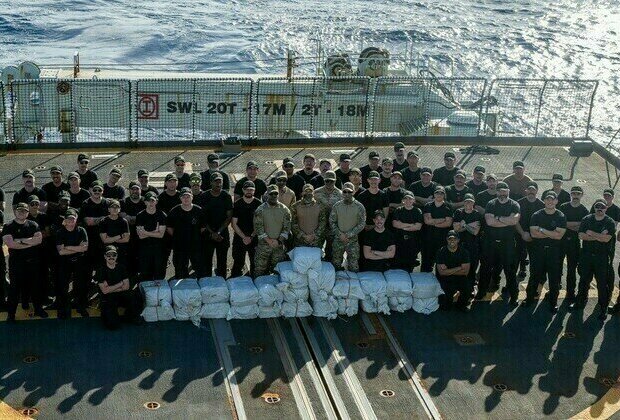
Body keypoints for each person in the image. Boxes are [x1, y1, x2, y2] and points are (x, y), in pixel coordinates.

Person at [570, 199, 615, 321]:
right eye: (597, 206)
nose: (600, 209)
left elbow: (607, 239)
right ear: (594, 207)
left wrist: (591, 233)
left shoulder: (609, 222)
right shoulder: (587, 219)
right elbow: (581, 236)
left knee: (602, 284)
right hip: (586, 255)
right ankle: (580, 302)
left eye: (603, 207)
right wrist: (599, 235)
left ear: (606, 208)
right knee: (584, 280)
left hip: (602, 257)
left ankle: (603, 308)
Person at [2, 202, 46, 322]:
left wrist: (20, 241)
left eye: (24, 211)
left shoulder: (33, 224)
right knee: (14, 290)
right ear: (15, 211)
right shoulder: (8, 226)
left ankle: (38, 309)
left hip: (32, 263)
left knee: (35, 287)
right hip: (16, 264)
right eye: (19, 210)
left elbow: (39, 240)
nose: (22, 213)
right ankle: (11, 314)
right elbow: (10, 244)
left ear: (27, 213)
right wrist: (29, 242)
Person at [478, 182, 521, 305]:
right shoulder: (491, 204)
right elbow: (489, 222)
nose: (502, 193)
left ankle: (514, 296)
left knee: (510, 270)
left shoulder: (514, 204)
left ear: (508, 191)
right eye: (500, 191)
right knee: (485, 268)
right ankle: (481, 291)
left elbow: (514, 220)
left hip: (507, 243)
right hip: (490, 242)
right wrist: (506, 220)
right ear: (497, 192)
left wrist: (498, 218)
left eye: (504, 191)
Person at [523, 191, 566, 313]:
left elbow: (559, 236)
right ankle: (529, 298)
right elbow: (534, 234)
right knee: (534, 276)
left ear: (556, 201)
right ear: (544, 201)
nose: (550, 201)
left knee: (554, 279)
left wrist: (542, 230)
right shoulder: (537, 215)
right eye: (547, 199)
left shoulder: (561, 216)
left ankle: (553, 303)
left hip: (554, 252)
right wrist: (551, 233)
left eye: (552, 199)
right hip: (538, 251)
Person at [96, 245, 142, 330]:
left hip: (120, 294)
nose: (111, 257)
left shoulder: (121, 267)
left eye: (114, 255)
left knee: (134, 297)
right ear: (105, 256)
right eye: (108, 255)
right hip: (108, 297)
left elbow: (127, 286)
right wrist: (120, 283)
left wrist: (111, 288)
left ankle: (130, 317)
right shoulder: (100, 271)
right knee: (113, 326)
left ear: (117, 256)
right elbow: (105, 291)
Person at [55, 208, 89, 319]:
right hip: (64, 262)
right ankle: (63, 308)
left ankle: (80, 306)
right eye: (68, 218)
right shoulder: (60, 232)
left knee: (80, 285)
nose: (70, 220)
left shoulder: (81, 230)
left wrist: (68, 247)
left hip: (79, 261)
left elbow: (84, 248)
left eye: (72, 218)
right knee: (63, 286)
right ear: (64, 220)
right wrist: (77, 248)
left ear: (76, 219)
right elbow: (61, 251)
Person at [253, 185, 291, 276]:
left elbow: (287, 228)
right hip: (264, 247)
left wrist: (278, 241)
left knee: (278, 272)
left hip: (278, 247)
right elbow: (258, 228)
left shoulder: (285, 210)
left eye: (276, 193)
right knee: (259, 271)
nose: (274, 196)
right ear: (267, 195)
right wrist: (269, 241)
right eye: (271, 194)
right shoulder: (260, 210)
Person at [559, 186, 588, 301]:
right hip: (561, 242)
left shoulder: (584, 210)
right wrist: (576, 224)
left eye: (578, 194)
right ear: (571, 194)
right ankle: (555, 289)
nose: (575, 195)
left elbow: (582, 228)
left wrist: (567, 225)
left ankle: (570, 292)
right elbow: (560, 223)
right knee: (557, 267)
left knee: (571, 270)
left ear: (581, 195)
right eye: (573, 193)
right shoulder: (563, 207)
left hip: (575, 244)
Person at [167, 188, 204, 278]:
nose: (186, 199)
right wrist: (177, 237)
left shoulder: (198, 210)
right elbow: (169, 227)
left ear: (192, 198)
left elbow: (203, 227)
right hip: (180, 245)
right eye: (184, 197)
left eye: (188, 196)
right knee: (180, 270)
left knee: (199, 268)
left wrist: (196, 238)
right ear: (180, 198)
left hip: (195, 245)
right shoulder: (174, 211)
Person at [202, 173, 233, 277]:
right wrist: (211, 233)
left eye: (220, 181)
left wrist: (218, 232)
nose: (218, 183)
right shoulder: (204, 196)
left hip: (222, 233)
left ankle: (222, 285)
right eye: (216, 181)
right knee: (206, 263)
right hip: (208, 233)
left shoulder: (226, 196)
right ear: (211, 182)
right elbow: (202, 218)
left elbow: (229, 217)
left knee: (222, 263)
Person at [330, 183, 366, 272]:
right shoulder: (337, 206)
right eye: (344, 192)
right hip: (338, 240)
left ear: (353, 192)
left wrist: (349, 235)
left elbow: (362, 223)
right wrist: (340, 234)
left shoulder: (359, 206)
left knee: (353, 267)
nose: (347, 194)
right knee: (336, 265)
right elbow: (332, 221)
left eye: (349, 192)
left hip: (352, 241)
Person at [356, 171, 389, 269]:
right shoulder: (362, 195)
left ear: (379, 180)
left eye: (376, 179)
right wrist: (364, 225)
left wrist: (376, 225)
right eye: (372, 179)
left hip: (378, 228)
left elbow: (385, 213)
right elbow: (358, 213)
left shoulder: (383, 195)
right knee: (363, 251)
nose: (374, 181)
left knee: (377, 250)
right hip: (364, 228)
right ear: (368, 180)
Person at [230, 181, 262, 277]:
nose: (249, 191)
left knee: (254, 262)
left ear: (254, 191)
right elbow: (234, 224)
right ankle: (236, 283)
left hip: (254, 236)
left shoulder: (258, 204)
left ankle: (254, 282)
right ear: (243, 190)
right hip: (240, 236)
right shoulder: (237, 204)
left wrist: (251, 236)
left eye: (251, 190)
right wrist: (244, 237)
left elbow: (259, 223)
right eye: (247, 189)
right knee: (238, 262)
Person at [452, 193, 482, 293]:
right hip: (460, 244)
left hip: (473, 244)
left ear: (474, 203)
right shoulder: (458, 212)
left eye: (470, 201)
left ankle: (471, 286)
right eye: (466, 201)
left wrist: (464, 225)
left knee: (472, 266)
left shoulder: (477, 214)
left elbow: (475, 232)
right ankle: (458, 286)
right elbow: (456, 229)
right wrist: (470, 225)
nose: (468, 203)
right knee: (459, 265)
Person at [435, 230, 471, 311]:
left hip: (459, 277)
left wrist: (448, 270)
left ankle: (461, 305)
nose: (452, 241)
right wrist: (459, 268)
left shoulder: (464, 252)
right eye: (450, 238)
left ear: (458, 240)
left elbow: (465, 272)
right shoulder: (441, 252)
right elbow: (441, 272)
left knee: (467, 288)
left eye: (454, 239)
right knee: (446, 306)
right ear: (446, 239)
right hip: (445, 278)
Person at [136, 192, 167, 281]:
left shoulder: (162, 215)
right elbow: (141, 236)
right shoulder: (140, 215)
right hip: (144, 249)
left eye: (153, 201)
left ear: (156, 202)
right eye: (148, 201)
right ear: (145, 202)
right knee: (145, 274)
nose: (151, 203)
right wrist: (155, 232)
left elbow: (161, 235)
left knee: (159, 274)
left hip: (159, 249)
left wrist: (146, 232)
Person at [80, 180, 110, 276]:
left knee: (103, 261)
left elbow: (111, 220)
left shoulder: (107, 203)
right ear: (90, 190)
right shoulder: (85, 203)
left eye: (99, 190)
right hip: (91, 237)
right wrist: (103, 219)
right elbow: (88, 222)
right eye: (95, 190)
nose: (97, 192)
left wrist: (96, 220)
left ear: (103, 191)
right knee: (89, 262)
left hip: (104, 237)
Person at [515, 182, 544, 278]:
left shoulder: (541, 205)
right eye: (529, 189)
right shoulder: (519, 203)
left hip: (535, 235)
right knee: (520, 254)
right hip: (521, 233)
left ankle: (534, 276)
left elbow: (543, 223)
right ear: (526, 190)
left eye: (533, 189)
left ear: (536, 191)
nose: (531, 191)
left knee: (534, 257)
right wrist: (523, 233)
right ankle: (522, 269)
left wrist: (533, 234)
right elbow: (516, 221)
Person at [422, 186, 454, 272]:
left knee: (441, 264)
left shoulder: (449, 206)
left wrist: (434, 223)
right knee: (426, 263)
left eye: (441, 193)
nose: (439, 194)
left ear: (444, 195)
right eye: (437, 192)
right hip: (428, 238)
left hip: (442, 239)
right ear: (434, 194)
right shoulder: (428, 205)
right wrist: (442, 220)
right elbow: (427, 221)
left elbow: (448, 223)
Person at [392, 190, 423, 271]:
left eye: (410, 198)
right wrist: (410, 225)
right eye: (406, 198)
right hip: (399, 241)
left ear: (413, 200)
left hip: (413, 242)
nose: (408, 201)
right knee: (398, 265)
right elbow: (395, 224)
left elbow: (418, 227)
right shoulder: (398, 210)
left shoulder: (417, 211)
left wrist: (402, 225)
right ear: (402, 200)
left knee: (410, 266)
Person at [314, 171, 343, 258]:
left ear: (335, 181)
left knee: (330, 251)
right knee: (316, 249)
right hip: (319, 226)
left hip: (332, 227)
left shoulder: (340, 194)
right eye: (327, 181)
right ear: (324, 180)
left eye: (332, 181)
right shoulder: (316, 193)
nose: (329, 183)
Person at [120, 181, 145, 278]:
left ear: (140, 190)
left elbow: (143, 218)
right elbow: (125, 218)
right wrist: (138, 218)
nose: (135, 191)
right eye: (132, 189)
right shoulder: (124, 202)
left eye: (137, 189)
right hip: (129, 236)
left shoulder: (145, 201)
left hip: (143, 236)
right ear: (129, 190)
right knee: (130, 258)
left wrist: (132, 218)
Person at [99, 199, 131, 263]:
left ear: (119, 209)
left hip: (121, 250)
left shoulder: (124, 221)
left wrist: (110, 239)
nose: (115, 209)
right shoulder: (103, 221)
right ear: (108, 209)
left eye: (117, 207)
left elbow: (126, 239)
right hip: (108, 250)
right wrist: (120, 235)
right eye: (112, 207)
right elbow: (105, 240)